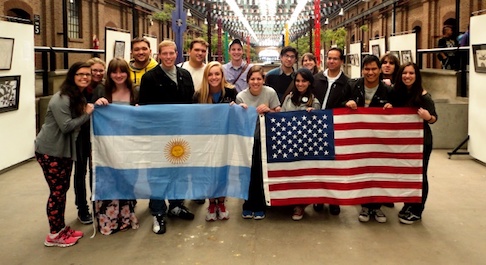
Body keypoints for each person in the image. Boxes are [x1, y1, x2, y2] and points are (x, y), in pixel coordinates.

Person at [139, 40, 195, 234]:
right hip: (158, 134)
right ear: (159, 55)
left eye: (172, 53)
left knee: (179, 171)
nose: (169, 57)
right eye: (165, 54)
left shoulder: (185, 75)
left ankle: (176, 204)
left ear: (177, 54)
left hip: (181, 133)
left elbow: (190, 104)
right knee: (157, 174)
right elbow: (145, 109)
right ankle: (158, 211)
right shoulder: (149, 78)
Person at [35, 62, 94, 247]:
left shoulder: (76, 95)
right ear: (72, 76)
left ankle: (60, 228)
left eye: (87, 74)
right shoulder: (62, 98)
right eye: (80, 74)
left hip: (63, 152)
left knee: (61, 191)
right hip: (51, 152)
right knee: (57, 193)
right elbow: (66, 126)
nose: (85, 77)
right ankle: (54, 235)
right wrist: (87, 114)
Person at [92, 58, 140, 235]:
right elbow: (89, 111)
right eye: (114, 72)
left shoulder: (135, 92)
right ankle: (108, 221)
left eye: (122, 71)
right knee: (109, 179)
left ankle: (126, 217)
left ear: (127, 73)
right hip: (107, 145)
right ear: (109, 74)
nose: (118, 75)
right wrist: (96, 105)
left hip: (129, 144)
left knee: (127, 179)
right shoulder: (101, 91)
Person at [344, 55, 393, 223]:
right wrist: (347, 102)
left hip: (379, 140)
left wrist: (391, 108)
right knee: (362, 171)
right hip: (358, 138)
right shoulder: (352, 86)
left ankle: (377, 206)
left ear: (380, 70)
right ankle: (364, 205)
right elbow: (339, 103)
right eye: (367, 69)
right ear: (362, 70)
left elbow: (399, 110)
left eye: (374, 69)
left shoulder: (389, 91)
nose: (370, 72)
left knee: (378, 171)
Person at [392, 62, 437, 225]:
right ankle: (408, 204)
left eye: (411, 73)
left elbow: (434, 118)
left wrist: (428, 117)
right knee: (407, 174)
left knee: (419, 174)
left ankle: (417, 210)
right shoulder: (399, 93)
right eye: (404, 73)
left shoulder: (424, 96)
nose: (407, 76)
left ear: (417, 76)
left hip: (421, 142)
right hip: (404, 141)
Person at [193, 61, 237, 221]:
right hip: (206, 140)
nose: (214, 77)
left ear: (222, 75)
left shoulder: (231, 92)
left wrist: (237, 108)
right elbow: (193, 118)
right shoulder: (198, 95)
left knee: (223, 171)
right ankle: (211, 203)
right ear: (206, 76)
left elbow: (237, 114)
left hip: (225, 138)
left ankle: (222, 202)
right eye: (210, 74)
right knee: (209, 172)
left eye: (217, 74)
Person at [235, 65, 281, 220]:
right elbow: (237, 120)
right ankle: (248, 204)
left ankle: (260, 205)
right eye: (252, 79)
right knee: (248, 173)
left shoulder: (270, 93)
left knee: (261, 173)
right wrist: (238, 110)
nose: (255, 82)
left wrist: (270, 110)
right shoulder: (241, 96)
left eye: (259, 79)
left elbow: (278, 113)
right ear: (248, 80)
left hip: (265, 139)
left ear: (263, 80)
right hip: (248, 140)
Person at [311, 47, 349, 215]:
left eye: (335, 58)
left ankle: (334, 199)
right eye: (329, 58)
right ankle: (319, 197)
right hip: (315, 128)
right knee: (318, 164)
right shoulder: (316, 79)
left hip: (335, 129)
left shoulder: (347, 83)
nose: (331, 61)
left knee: (335, 166)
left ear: (341, 61)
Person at [280, 68, 321, 221]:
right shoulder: (288, 99)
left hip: (305, 146)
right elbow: (281, 117)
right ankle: (289, 200)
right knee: (290, 173)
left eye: (303, 81)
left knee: (303, 175)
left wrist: (314, 115)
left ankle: (300, 205)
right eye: (297, 81)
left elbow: (318, 126)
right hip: (289, 143)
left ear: (309, 82)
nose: (300, 84)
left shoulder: (314, 102)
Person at [73, 57, 106, 225]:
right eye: (95, 71)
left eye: (101, 70)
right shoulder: (76, 91)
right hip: (80, 137)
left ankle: (96, 204)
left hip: (97, 137)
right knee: (80, 172)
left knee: (96, 172)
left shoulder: (103, 88)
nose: (98, 74)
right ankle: (82, 208)